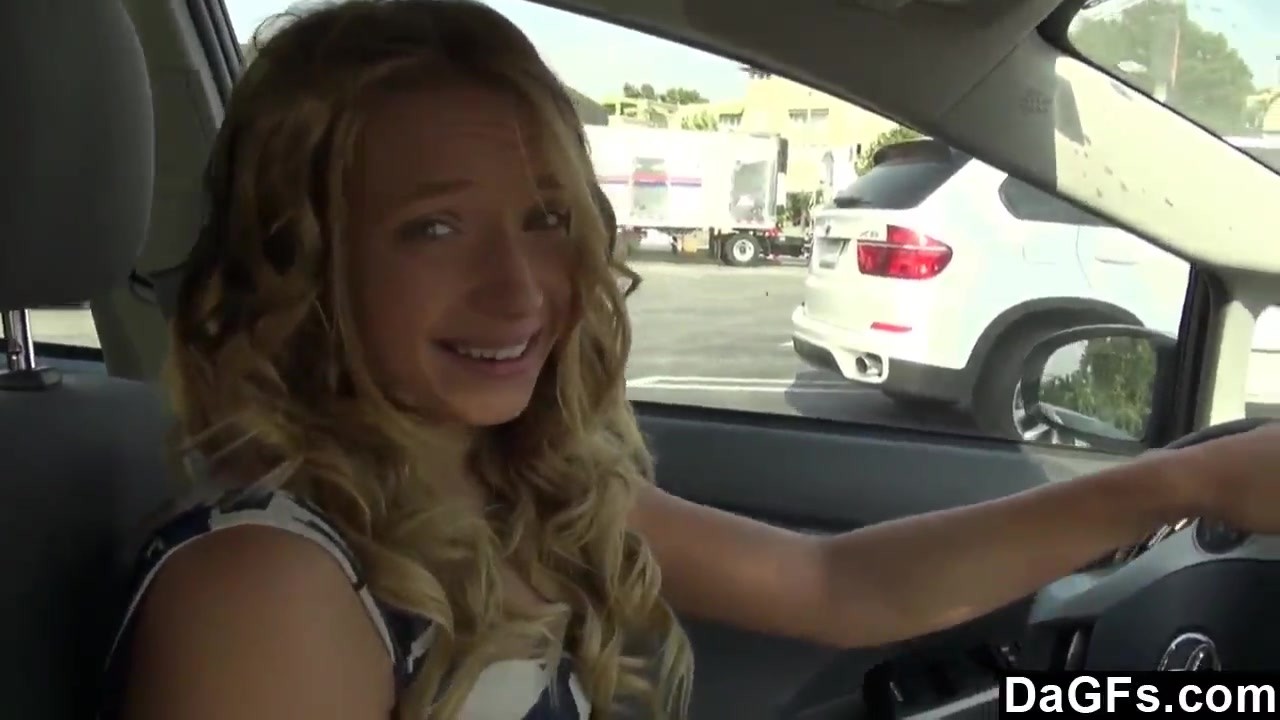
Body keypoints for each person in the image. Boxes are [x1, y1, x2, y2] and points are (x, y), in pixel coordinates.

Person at [101, 1, 1280, 719]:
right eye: (435, 228)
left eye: (547, 219)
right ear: (302, 256)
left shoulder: (519, 486)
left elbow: (833, 590)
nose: (520, 289)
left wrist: (1182, 480)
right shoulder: (266, 592)